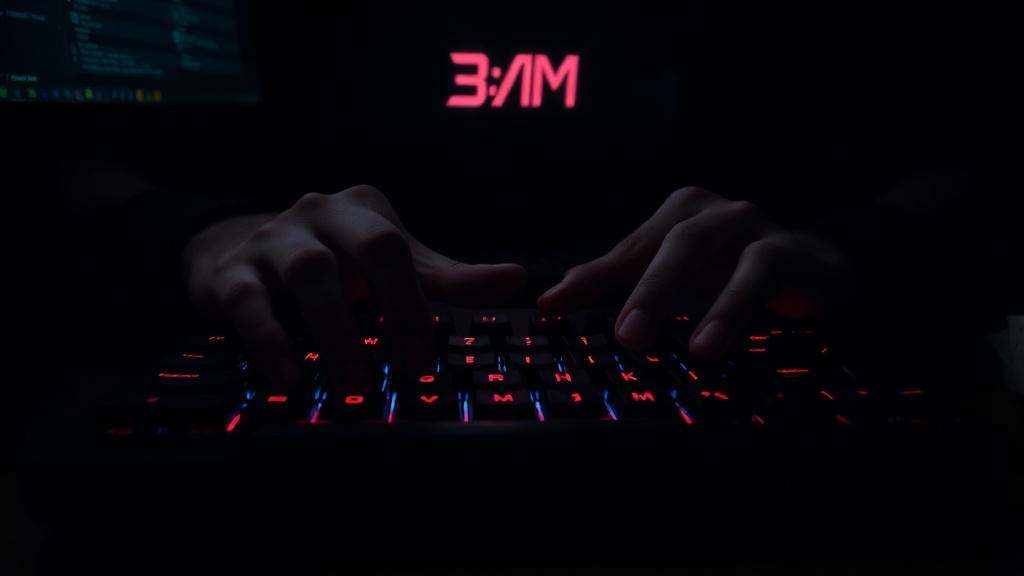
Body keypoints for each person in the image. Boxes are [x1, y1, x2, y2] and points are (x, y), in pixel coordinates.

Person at [13, 0, 1018, 395]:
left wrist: (860, 250)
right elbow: (44, 118)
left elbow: (985, 134)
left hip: (787, 363)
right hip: (245, 355)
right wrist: (188, 235)